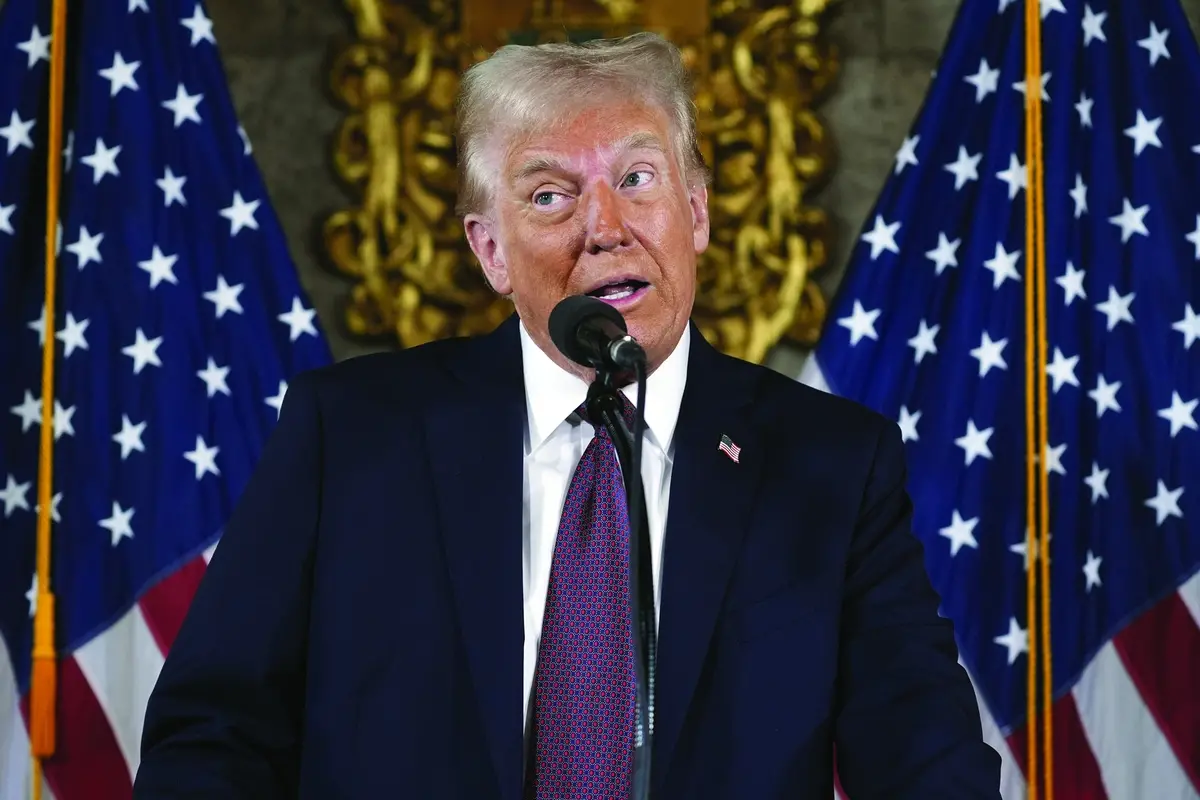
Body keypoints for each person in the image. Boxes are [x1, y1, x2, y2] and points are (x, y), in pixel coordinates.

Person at [133, 32, 1002, 799]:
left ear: (695, 211)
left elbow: (928, 761)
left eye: (636, 178)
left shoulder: (831, 464)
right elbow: (213, 738)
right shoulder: (351, 436)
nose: (606, 226)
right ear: (490, 249)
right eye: (550, 195)